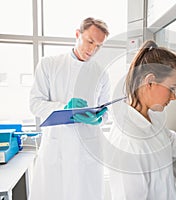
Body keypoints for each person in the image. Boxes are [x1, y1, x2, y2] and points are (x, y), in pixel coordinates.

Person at [105, 40, 176, 200]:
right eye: (172, 88)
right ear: (150, 81)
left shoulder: (151, 119)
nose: (174, 97)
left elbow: (174, 145)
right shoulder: (128, 142)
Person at [29, 17, 110, 200]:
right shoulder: (49, 64)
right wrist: (63, 108)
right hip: (57, 150)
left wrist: (99, 118)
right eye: (90, 41)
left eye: (98, 45)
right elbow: (34, 103)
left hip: (86, 152)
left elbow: (106, 110)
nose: (93, 49)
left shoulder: (101, 73)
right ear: (77, 34)